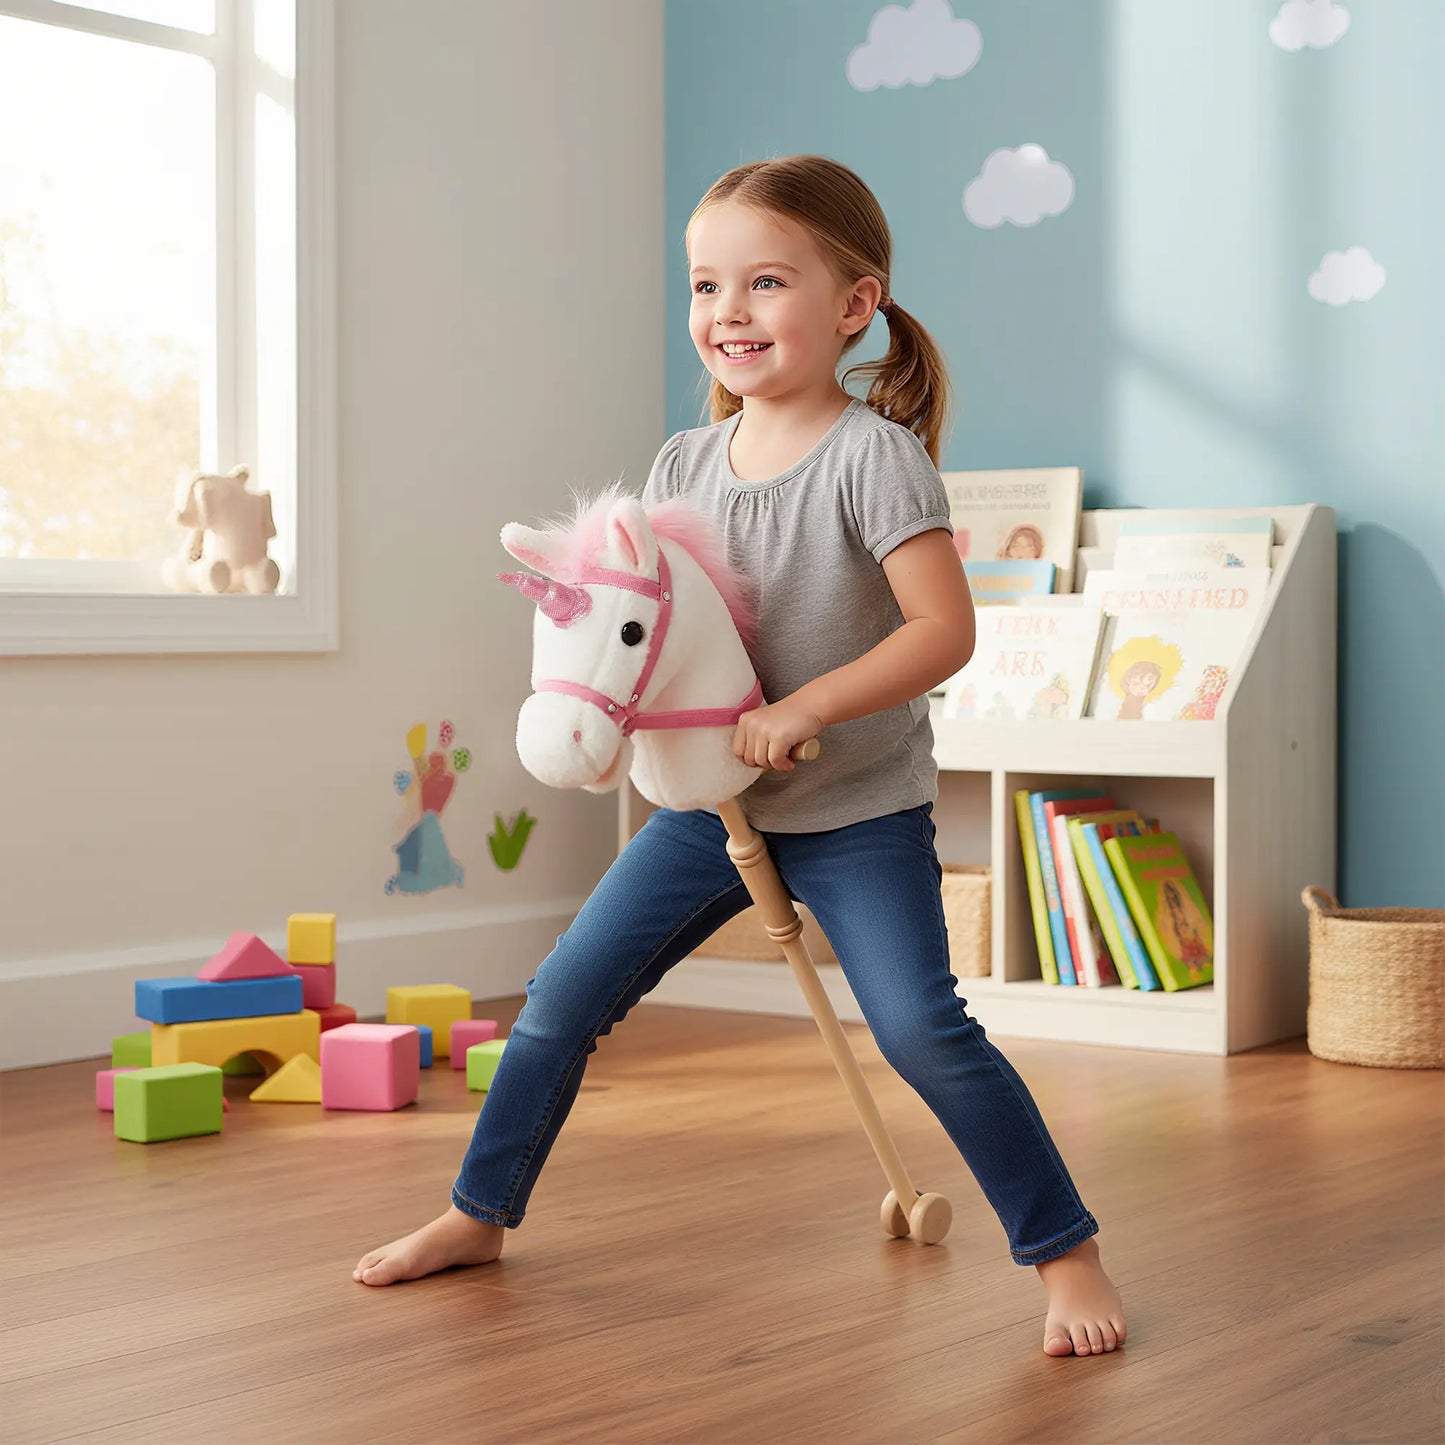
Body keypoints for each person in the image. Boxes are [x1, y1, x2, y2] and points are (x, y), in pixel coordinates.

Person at [354, 155, 1126, 1360]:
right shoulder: (676, 465)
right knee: (559, 1000)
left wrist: (802, 704)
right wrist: (617, 726)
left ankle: (1063, 1251)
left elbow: (943, 630)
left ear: (854, 305)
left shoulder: (875, 458)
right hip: (706, 809)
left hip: (854, 806)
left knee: (923, 1028)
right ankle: (477, 1210)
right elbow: (647, 633)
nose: (727, 312)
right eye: (706, 285)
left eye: (764, 282)